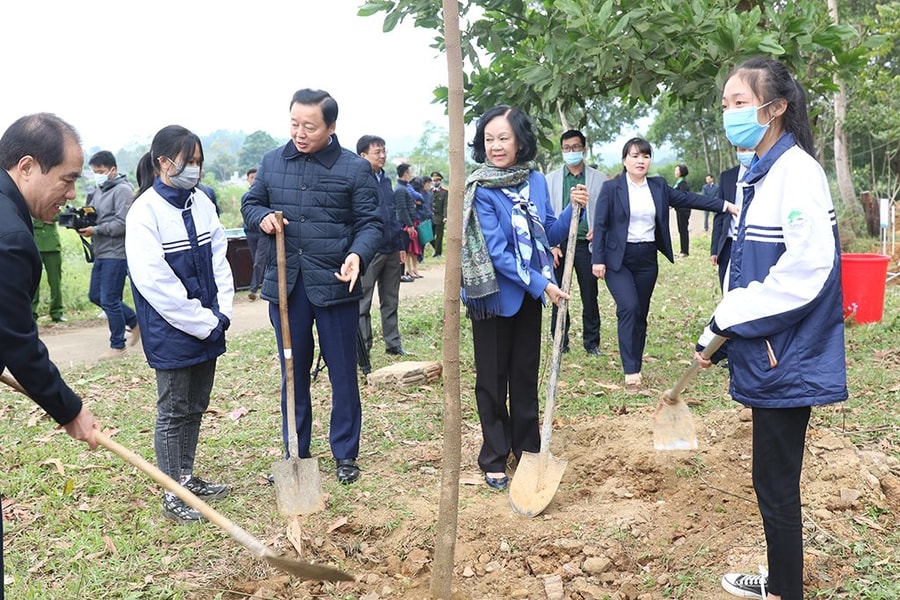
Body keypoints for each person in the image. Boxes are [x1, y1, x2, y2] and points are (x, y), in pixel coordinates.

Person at [696, 57, 847, 600]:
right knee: (773, 481)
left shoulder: (796, 172)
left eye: (740, 104)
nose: (729, 114)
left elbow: (805, 271)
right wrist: (720, 332)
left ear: (775, 108)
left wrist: (726, 320)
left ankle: (785, 591)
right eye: (725, 105)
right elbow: (750, 265)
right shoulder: (762, 169)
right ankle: (782, 583)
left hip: (789, 351)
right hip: (768, 346)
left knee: (776, 484)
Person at [241, 89, 381, 485]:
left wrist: (357, 254)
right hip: (287, 288)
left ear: (331, 127)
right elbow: (250, 205)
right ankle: (294, 451)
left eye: (310, 126)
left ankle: (344, 454)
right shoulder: (272, 162)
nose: (300, 133)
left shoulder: (354, 169)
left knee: (342, 373)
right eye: (294, 124)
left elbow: (371, 223)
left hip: (335, 286)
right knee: (292, 371)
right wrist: (263, 216)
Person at [461, 105, 588, 490]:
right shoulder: (481, 188)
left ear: (520, 142)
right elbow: (497, 253)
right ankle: (494, 456)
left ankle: (528, 448)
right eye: (489, 139)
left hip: (530, 297)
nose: (496, 146)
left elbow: (547, 232)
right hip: (495, 298)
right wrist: (542, 284)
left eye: (503, 138)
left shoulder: (533, 181)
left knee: (524, 374)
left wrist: (572, 209)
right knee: (492, 379)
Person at [0, 112, 100, 581]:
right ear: (26, 167)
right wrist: (70, 409)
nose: (72, 194)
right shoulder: (11, 238)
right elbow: (19, 344)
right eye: (67, 179)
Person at [126, 125, 235, 523]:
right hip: (173, 329)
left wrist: (222, 313)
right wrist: (201, 320)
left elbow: (220, 258)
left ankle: (187, 476)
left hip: (210, 323)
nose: (194, 169)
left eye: (199, 162)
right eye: (188, 162)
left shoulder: (202, 202)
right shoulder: (144, 212)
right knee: (173, 409)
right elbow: (155, 282)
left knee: (196, 405)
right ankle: (173, 493)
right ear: (163, 163)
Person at [590, 138, 737, 387]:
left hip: (647, 258)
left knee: (641, 313)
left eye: (645, 156)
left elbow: (688, 199)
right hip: (618, 259)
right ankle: (630, 369)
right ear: (625, 160)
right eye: (635, 156)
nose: (640, 161)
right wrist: (598, 259)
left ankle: (635, 359)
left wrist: (724, 205)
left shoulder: (657, 186)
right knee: (628, 307)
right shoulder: (612, 188)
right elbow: (601, 225)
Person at [545, 129, 607, 355]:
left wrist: (599, 230)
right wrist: (550, 246)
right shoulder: (550, 180)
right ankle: (560, 340)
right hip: (558, 246)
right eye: (567, 148)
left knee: (590, 295)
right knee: (559, 293)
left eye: (575, 147)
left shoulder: (598, 179)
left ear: (584, 148)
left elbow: (607, 211)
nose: (571, 152)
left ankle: (592, 344)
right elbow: (544, 215)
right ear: (562, 150)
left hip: (586, 245)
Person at [83, 150, 139, 360]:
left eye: (101, 171)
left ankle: (118, 346)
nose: (98, 175)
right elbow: (96, 217)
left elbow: (123, 223)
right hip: (101, 251)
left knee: (110, 299)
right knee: (96, 296)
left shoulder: (123, 190)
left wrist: (96, 230)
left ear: (113, 170)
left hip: (117, 253)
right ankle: (134, 321)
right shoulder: (99, 190)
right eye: (95, 171)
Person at [356, 135, 406, 358]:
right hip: (370, 251)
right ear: (363, 156)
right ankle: (363, 348)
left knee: (391, 300)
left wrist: (401, 244)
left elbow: (393, 214)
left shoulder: (386, 180)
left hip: (392, 248)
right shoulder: (357, 180)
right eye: (377, 152)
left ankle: (393, 344)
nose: (382, 155)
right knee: (363, 303)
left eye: (384, 151)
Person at [710, 148, 752, 290]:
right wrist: (714, 249)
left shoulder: (769, 174)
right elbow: (719, 215)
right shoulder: (727, 177)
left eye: (750, 148)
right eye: (742, 149)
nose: (746, 152)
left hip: (752, 241)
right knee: (727, 285)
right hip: (729, 242)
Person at [31, 216, 65, 322]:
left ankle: (57, 313)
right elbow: (26, 219)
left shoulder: (51, 202)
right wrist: (43, 221)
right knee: (33, 283)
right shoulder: (30, 202)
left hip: (52, 245)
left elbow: (60, 216)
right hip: (34, 245)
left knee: (56, 283)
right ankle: (31, 313)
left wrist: (39, 219)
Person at [241, 168, 268, 301]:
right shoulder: (245, 197)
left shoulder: (265, 195)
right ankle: (261, 285)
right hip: (250, 233)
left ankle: (253, 289)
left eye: (256, 177)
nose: (254, 180)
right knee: (256, 261)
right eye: (251, 177)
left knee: (259, 261)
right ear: (248, 179)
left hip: (263, 233)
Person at [394, 163, 420, 280]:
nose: (411, 174)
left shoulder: (404, 188)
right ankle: (400, 274)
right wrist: (409, 224)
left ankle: (402, 273)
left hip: (406, 222)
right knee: (402, 248)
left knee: (405, 247)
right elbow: (402, 209)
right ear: (405, 174)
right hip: (402, 224)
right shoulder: (400, 189)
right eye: (410, 172)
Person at [672, 163, 692, 257]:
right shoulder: (678, 182)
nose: (675, 172)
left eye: (677, 170)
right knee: (681, 229)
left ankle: (685, 251)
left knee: (683, 229)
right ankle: (682, 250)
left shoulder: (683, 183)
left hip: (683, 209)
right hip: (679, 209)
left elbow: (681, 196)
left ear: (682, 172)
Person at [430, 171, 447, 257]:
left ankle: (438, 253)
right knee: (429, 236)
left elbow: (445, 205)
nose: (435, 182)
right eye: (434, 180)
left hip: (439, 217)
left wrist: (445, 216)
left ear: (440, 181)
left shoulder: (444, 192)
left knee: (439, 236)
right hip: (430, 217)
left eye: (437, 180)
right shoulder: (430, 191)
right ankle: (436, 249)